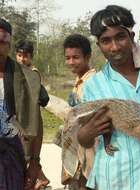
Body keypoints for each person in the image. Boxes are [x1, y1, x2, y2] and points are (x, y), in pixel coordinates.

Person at [77, 5, 140, 190]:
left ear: (132, 37)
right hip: (114, 180)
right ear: (99, 45)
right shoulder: (94, 86)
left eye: (120, 37)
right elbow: (85, 140)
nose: (115, 47)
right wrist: (88, 132)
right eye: (106, 41)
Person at [0, 18, 43, 190]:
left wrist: (34, 163)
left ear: (9, 44)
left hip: (13, 158)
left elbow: (36, 125)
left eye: (2, 41)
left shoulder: (27, 78)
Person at [54, 34, 95, 190]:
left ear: (88, 57)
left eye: (76, 57)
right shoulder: (79, 81)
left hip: (88, 154)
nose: (71, 62)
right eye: (68, 58)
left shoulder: (92, 82)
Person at [15, 40, 50, 190]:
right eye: (19, 55)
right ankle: (40, 180)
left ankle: (38, 181)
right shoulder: (16, 71)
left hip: (31, 120)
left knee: (28, 156)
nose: (22, 59)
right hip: (20, 119)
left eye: (26, 56)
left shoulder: (33, 73)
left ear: (31, 57)